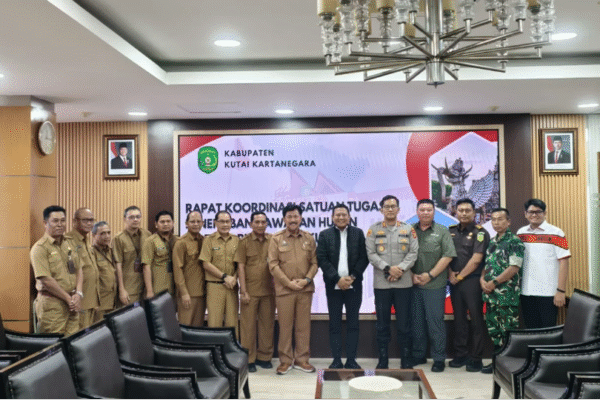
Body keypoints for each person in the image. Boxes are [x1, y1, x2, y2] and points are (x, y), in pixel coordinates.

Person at [365, 196, 418, 369]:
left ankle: (406, 359)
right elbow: (371, 254)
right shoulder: (373, 230)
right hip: (382, 284)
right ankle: (383, 360)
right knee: (382, 324)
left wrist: (399, 269)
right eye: (386, 206)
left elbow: (413, 253)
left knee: (404, 324)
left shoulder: (408, 229)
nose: (390, 209)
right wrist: (388, 268)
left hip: (404, 284)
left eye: (393, 206)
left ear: (398, 209)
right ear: (381, 210)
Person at [268, 204, 318, 375]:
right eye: (289, 217)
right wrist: (288, 283)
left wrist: (306, 280)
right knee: (285, 326)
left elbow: (315, 263)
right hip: (285, 290)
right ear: (284, 219)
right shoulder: (276, 238)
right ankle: (285, 361)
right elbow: (273, 265)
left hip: (305, 289)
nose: (293, 220)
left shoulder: (308, 238)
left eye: (295, 216)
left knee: (303, 327)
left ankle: (302, 360)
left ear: (300, 218)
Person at [318, 204, 370, 369]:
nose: (341, 217)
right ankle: (336, 360)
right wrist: (337, 279)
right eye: (338, 215)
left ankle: (351, 360)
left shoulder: (358, 233)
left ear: (349, 217)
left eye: (344, 215)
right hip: (333, 287)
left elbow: (364, 257)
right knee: (334, 324)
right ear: (332, 217)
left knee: (353, 323)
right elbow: (322, 259)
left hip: (354, 286)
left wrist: (352, 277)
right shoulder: (325, 234)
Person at [411, 199, 456, 373]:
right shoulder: (409, 230)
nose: (425, 212)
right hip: (413, 284)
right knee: (417, 323)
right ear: (417, 212)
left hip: (435, 285)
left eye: (429, 210)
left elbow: (448, 256)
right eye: (422, 209)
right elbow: (402, 254)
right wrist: (411, 275)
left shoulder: (442, 231)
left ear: (434, 212)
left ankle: (438, 358)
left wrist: (430, 275)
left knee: (435, 323)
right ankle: (419, 355)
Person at [448, 199, 490, 372]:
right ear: (455, 212)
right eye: (461, 210)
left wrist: (460, 276)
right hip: (454, 280)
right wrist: (450, 273)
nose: (464, 213)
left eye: (467, 210)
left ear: (474, 212)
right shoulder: (450, 231)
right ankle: (461, 354)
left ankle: (476, 357)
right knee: (459, 319)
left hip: (472, 281)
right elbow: (446, 255)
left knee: (476, 319)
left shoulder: (480, 232)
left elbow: (477, 259)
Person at [480, 208, 524, 374]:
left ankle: (509, 367)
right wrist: (482, 280)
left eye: (500, 219)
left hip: (507, 296)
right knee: (495, 332)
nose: (496, 222)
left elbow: (514, 268)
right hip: (491, 296)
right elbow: (487, 265)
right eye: (493, 219)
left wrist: (494, 282)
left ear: (508, 222)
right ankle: (497, 364)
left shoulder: (515, 241)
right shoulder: (492, 241)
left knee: (508, 332)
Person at [517, 198, 570, 329]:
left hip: (549, 293)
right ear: (525, 214)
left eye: (538, 212)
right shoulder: (521, 233)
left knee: (548, 331)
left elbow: (564, 262)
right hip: (526, 292)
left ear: (545, 213)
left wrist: (561, 291)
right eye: (531, 212)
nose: (534, 215)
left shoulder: (557, 233)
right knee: (531, 331)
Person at [30, 206, 83, 335]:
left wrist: (78, 294)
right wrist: (68, 298)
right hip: (52, 306)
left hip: (72, 303)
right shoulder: (40, 248)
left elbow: (79, 269)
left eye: (63, 220)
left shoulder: (69, 243)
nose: (60, 224)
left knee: (73, 341)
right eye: (55, 221)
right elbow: (46, 280)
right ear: (45, 223)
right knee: (54, 343)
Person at [235, 212, 275, 373]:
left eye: (263, 222)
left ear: (267, 224)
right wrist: (243, 291)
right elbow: (241, 267)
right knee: (247, 327)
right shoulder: (244, 242)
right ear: (251, 224)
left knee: (267, 325)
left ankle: (264, 357)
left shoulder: (273, 240)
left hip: (269, 290)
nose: (260, 225)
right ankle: (249, 358)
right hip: (250, 291)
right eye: (257, 222)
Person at [200, 211, 240, 334]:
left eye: (228, 221)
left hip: (231, 286)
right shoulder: (209, 240)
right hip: (215, 286)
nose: (225, 224)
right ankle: (215, 347)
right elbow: (206, 264)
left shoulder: (236, 240)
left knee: (232, 324)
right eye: (222, 221)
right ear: (215, 223)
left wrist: (234, 278)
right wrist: (224, 277)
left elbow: (240, 264)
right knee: (214, 324)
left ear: (231, 223)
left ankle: (232, 347)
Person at [65, 208, 100, 329]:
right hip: (79, 300)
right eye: (85, 220)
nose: (89, 223)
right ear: (74, 222)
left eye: (91, 220)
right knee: (79, 334)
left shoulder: (86, 240)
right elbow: (69, 272)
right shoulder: (68, 241)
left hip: (90, 299)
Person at [172, 211, 206, 327]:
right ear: (186, 224)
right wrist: (184, 293)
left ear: (202, 223)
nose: (196, 224)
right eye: (192, 221)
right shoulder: (181, 243)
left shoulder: (204, 241)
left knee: (198, 328)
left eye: (198, 221)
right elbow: (177, 269)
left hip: (202, 293)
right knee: (186, 327)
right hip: (188, 294)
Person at [113, 206, 151, 305]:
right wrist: (121, 289)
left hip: (145, 287)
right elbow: (118, 265)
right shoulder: (118, 238)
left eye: (138, 217)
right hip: (129, 288)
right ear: (124, 219)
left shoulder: (147, 235)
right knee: (130, 314)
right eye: (131, 217)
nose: (135, 220)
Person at [142, 211, 178, 298]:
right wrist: (149, 291)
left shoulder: (177, 240)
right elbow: (146, 267)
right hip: (158, 289)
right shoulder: (150, 241)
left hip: (174, 288)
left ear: (173, 223)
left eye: (168, 221)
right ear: (156, 224)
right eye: (162, 222)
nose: (166, 224)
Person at [91, 221, 117, 321]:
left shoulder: (111, 251)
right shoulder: (91, 252)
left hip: (113, 301)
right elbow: (91, 279)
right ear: (94, 235)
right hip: (100, 303)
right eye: (102, 233)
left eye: (108, 233)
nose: (107, 236)